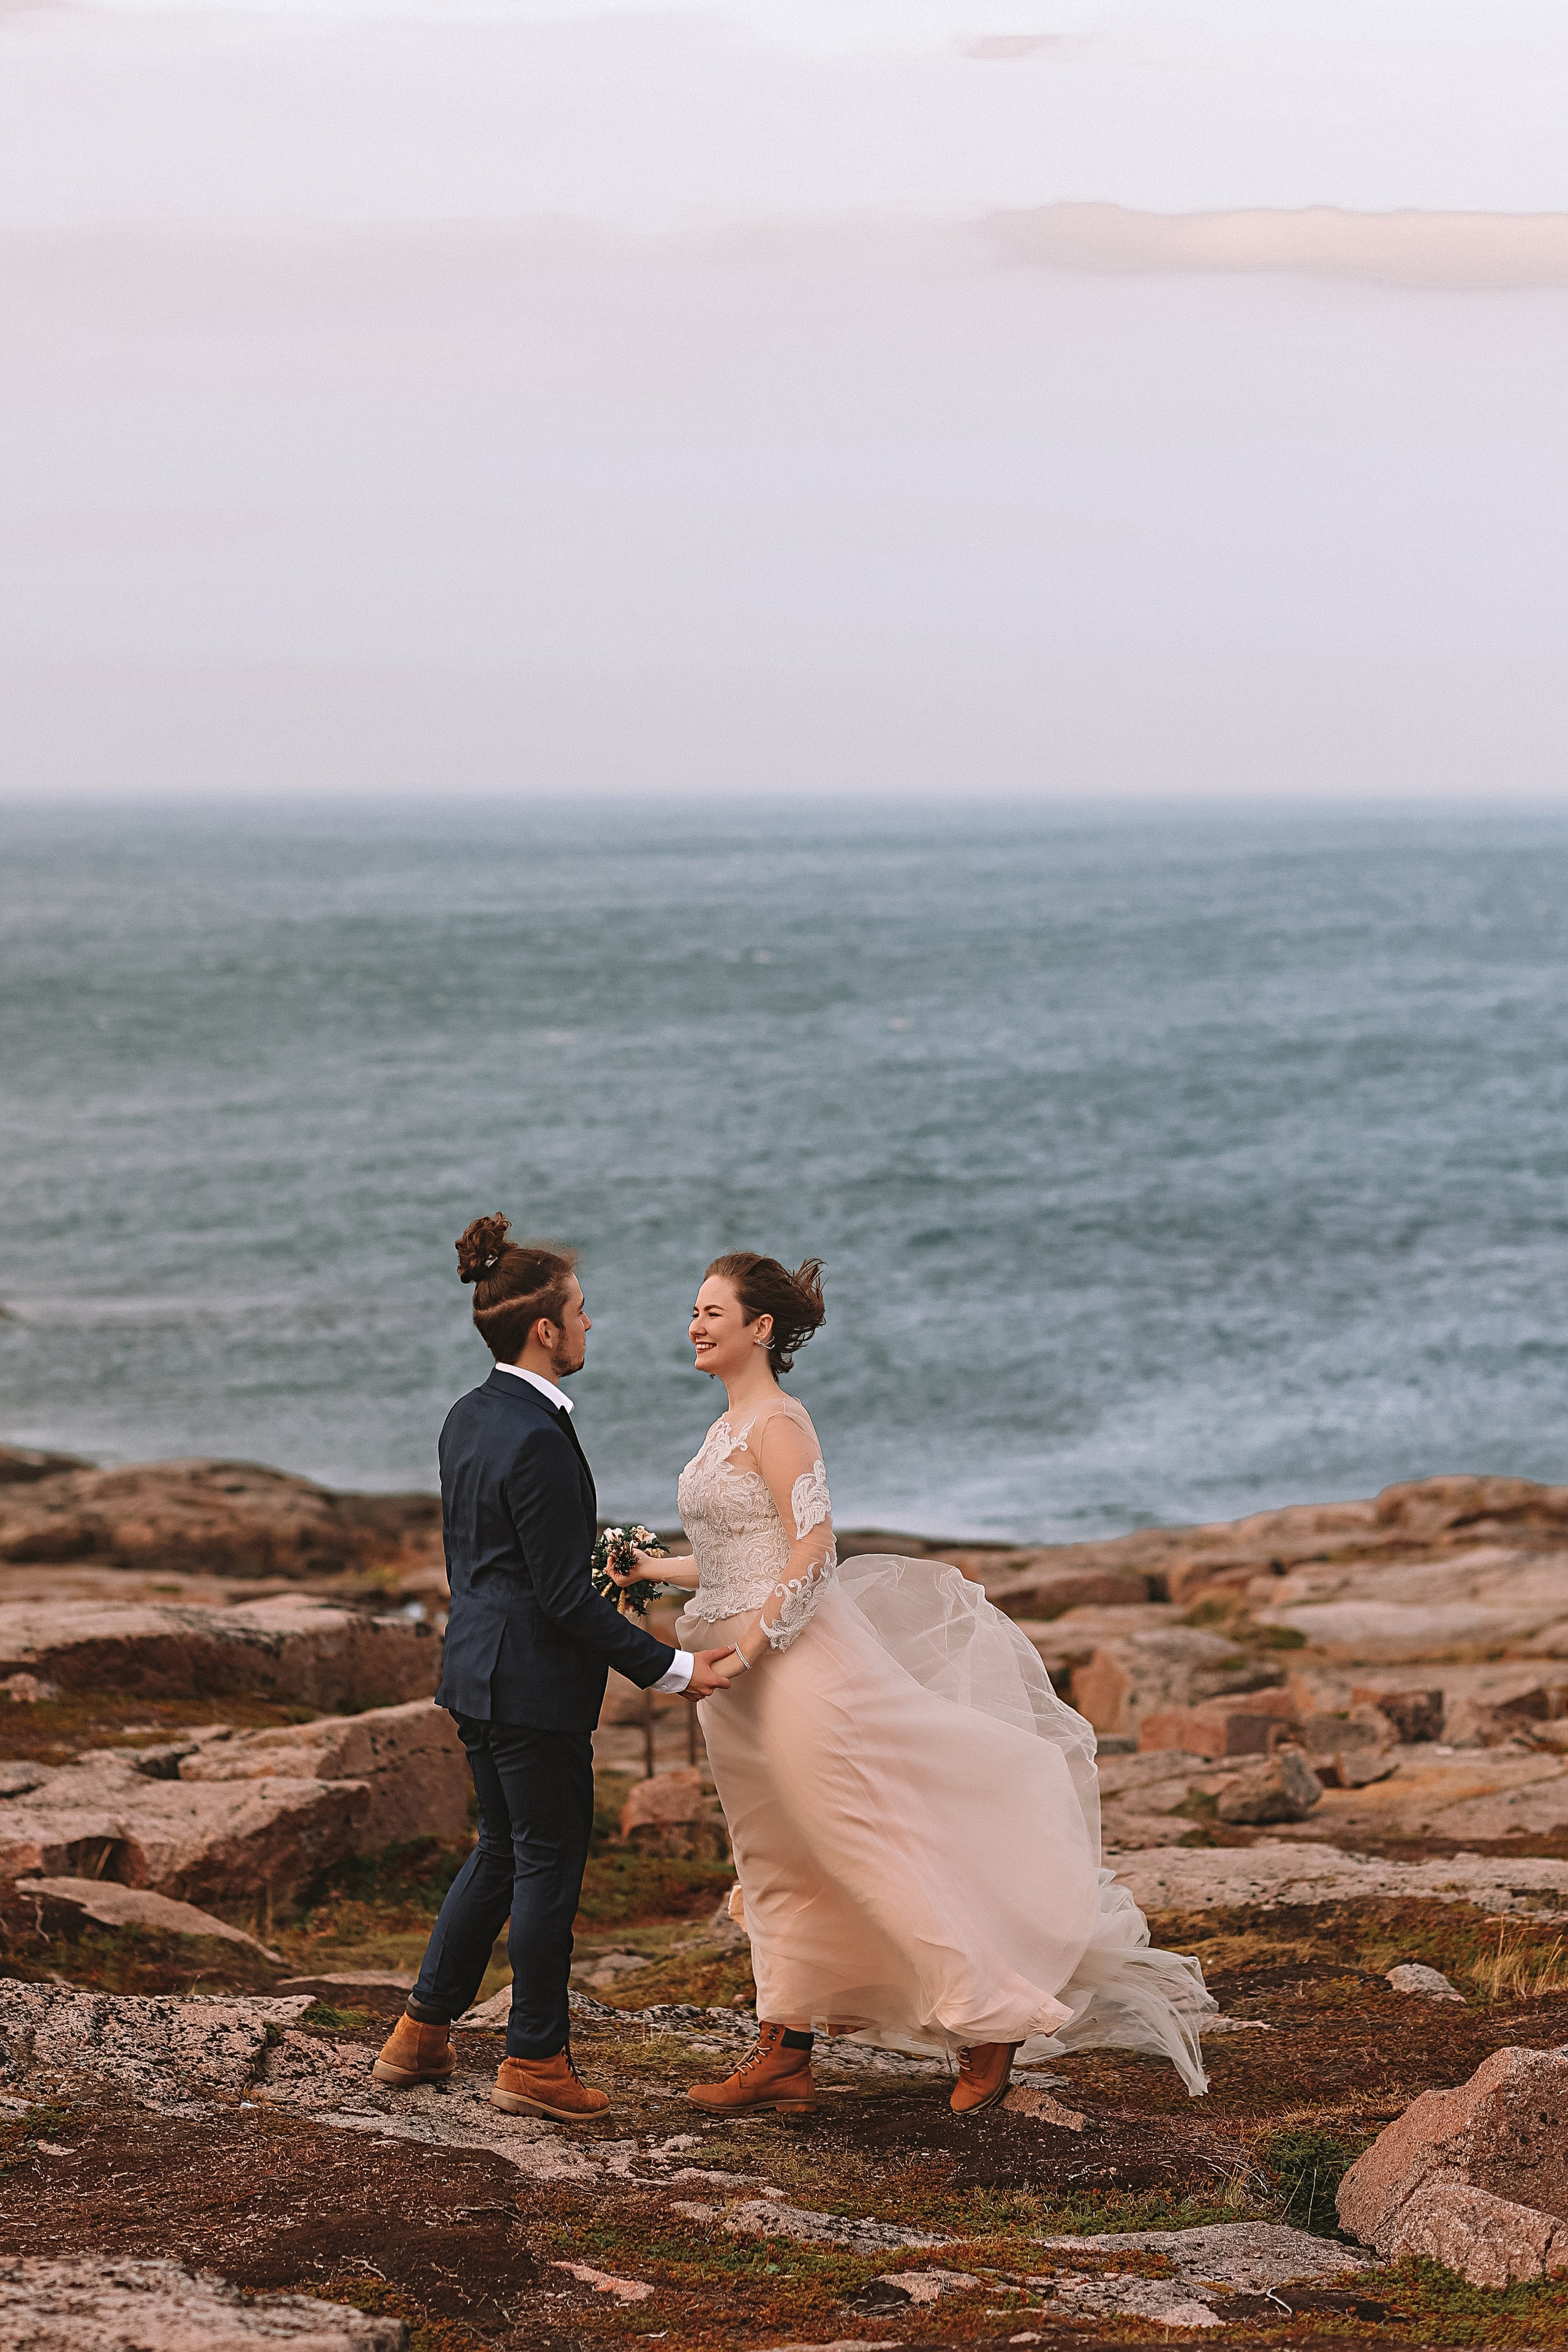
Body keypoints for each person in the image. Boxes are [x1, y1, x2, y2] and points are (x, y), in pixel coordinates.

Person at [607, 1251, 1215, 2118]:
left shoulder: (780, 1423)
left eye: (712, 1311)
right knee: (774, 1852)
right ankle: (784, 2045)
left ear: (761, 1329)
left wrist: (744, 1655)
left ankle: (991, 2017)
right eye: (693, 1311)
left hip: (790, 1668)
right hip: (731, 1680)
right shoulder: (723, 1430)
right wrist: (649, 1568)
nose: (695, 1325)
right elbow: (741, 1556)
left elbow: (814, 1556)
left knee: (859, 1840)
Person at [372, 1215, 736, 2120]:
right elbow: (563, 1599)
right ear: (544, 1329)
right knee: (545, 1865)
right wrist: (676, 1668)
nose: (589, 1324)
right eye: (580, 1310)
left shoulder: (470, 1415)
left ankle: (421, 2034)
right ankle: (535, 2060)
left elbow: (494, 1565)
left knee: (501, 1850)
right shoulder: (536, 1435)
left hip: (475, 1672)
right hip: (531, 1684)